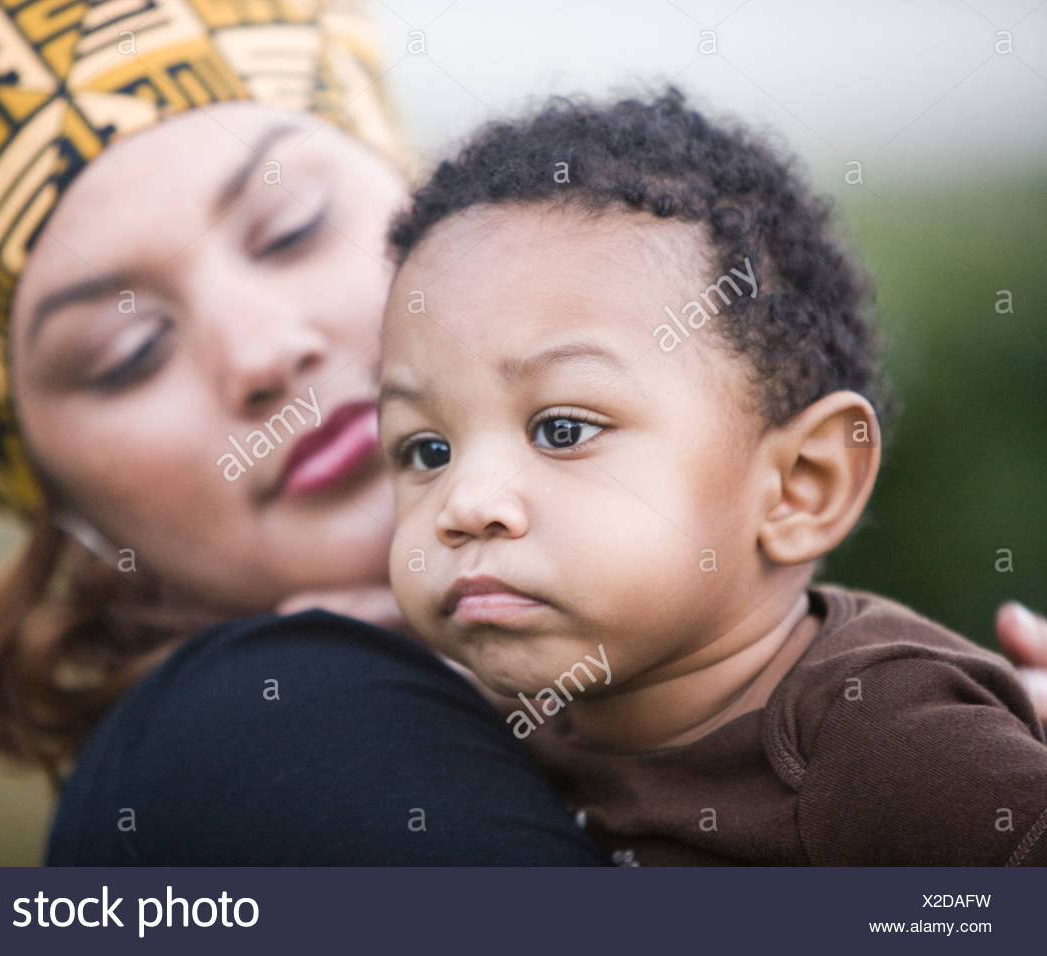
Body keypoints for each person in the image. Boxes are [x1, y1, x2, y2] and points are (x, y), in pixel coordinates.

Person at [0, 1, 1045, 865]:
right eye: (125, 350)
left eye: (290, 227)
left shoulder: (733, 700)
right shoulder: (250, 732)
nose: (263, 352)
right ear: (76, 520)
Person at [376, 89, 1047, 865]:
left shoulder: (887, 740)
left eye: (563, 430)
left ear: (802, 484)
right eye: (425, 449)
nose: (465, 505)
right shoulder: (493, 721)